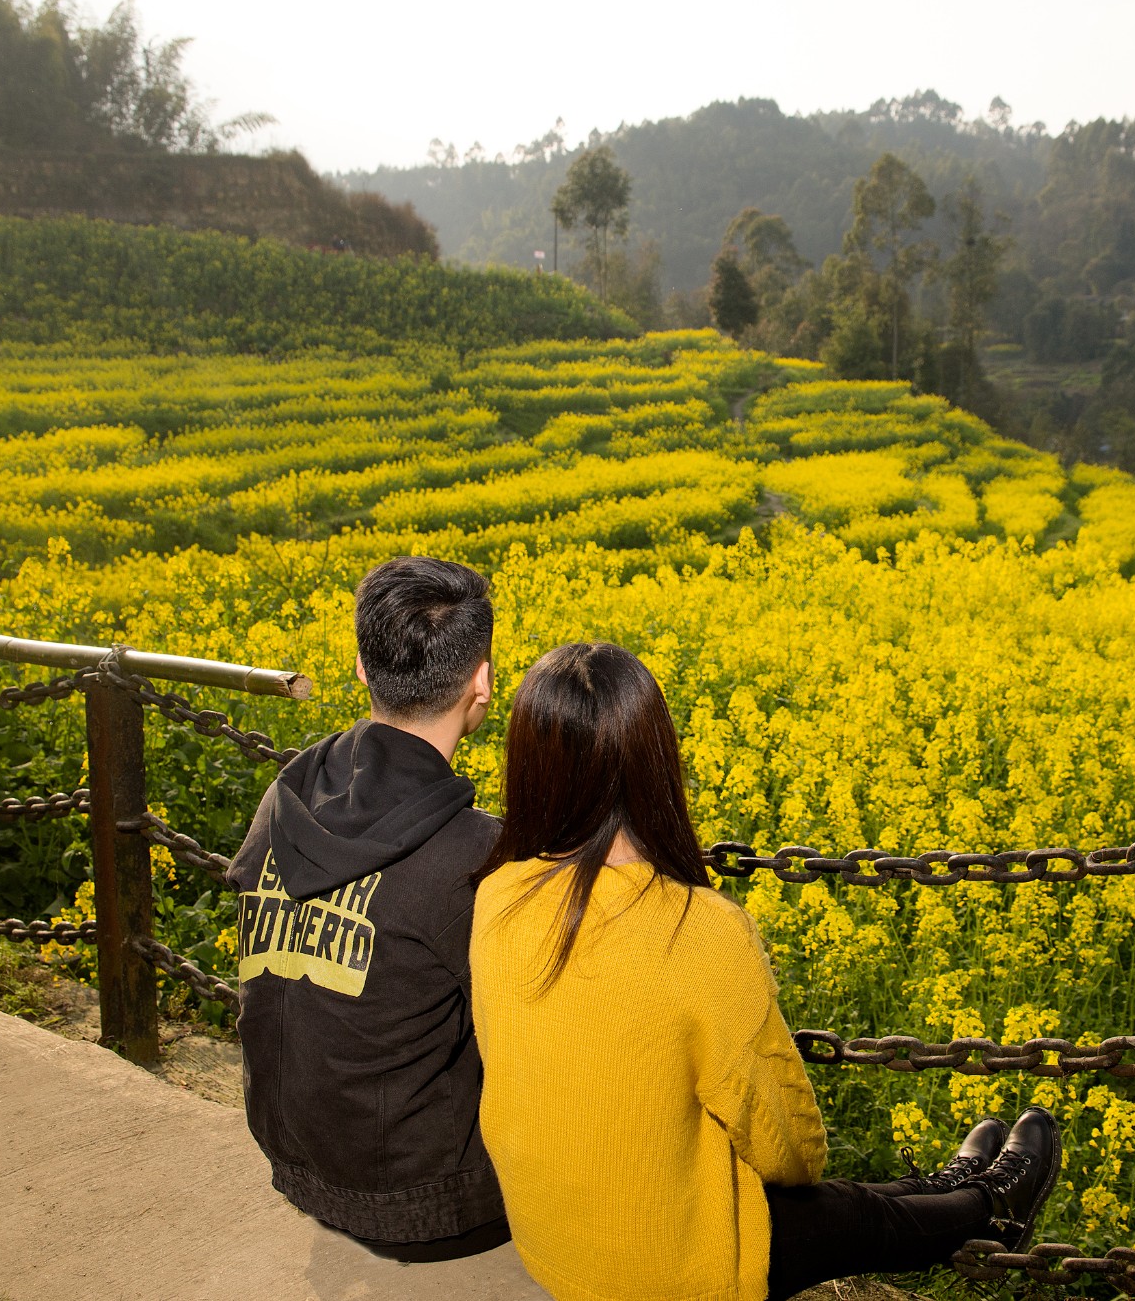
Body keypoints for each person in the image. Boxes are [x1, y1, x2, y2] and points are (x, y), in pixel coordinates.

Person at [470, 642, 1062, 1301]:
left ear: (528, 763)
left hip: (551, 1236)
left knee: (846, 1202)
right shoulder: (697, 926)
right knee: (842, 1212)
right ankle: (991, 1206)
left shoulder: (498, 895)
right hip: (658, 1270)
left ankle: (947, 1186)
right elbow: (792, 1151)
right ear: (657, 761)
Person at [228, 556, 509, 1261]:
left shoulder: (283, 798)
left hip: (298, 1162)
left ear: (360, 665)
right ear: (483, 680)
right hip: (431, 1203)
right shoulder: (473, 851)